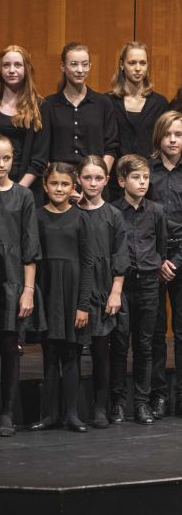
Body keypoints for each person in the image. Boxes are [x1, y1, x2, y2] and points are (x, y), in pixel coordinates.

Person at [0, 135, 45, 436]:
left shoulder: (23, 196)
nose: (1, 164)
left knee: (9, 346)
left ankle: (7, 412)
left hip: (13, 279)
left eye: (6, 158)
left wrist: (28, 291)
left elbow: (31, 247)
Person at [31, 162, 94, 433]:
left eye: (64, 184)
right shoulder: (36, 216)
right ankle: (49, 414)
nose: (59, 188)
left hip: (71, 291)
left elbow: (88, 263)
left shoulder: (81, 218)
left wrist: (83, 304)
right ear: (45, 186)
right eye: (54, 183)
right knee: (50, 355)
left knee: (71, 356)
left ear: (73, 187)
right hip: (47, 290)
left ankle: (72, 414)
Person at [111, 155, 169, 425]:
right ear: (122, 180)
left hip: (148, 282)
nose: (143, 182)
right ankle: (118, 403)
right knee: (120, 344)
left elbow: (162, 246)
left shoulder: (156, 211)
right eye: (136, 177)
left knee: (145, 346)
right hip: (122, 284)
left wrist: (155, 268)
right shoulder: (113, 211)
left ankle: (142, 403)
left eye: (146, 177)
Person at [77, 156, 130, 428]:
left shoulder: (113, 215)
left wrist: (116, 292)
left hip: (105, 288)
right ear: (79, 179)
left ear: (106, 180)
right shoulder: (73, 212)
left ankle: (101, 406)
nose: (93, 183)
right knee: (72, 350)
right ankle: (72, 408)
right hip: (78, 288)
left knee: (101, 350)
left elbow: (121, 254)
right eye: (88, 177)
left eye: (98, 178)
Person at [41, 43, 118, 184]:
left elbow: (110, 148)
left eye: (85, 64)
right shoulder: (49, 105)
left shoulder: (103, 103)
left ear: (90, 66)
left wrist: (98, 180)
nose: (80, 70)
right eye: (74, 64)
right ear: (63, 67)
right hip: (60, 184)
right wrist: (56, 182)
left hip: (94, 183)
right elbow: (42, 151)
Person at [0, 45, 45, 204]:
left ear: (27, 69)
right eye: (6, 65)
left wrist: (18, 190)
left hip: (26, 189)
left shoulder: (40, 106)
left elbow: (40, 157)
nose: (12, 70)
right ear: (0, 69)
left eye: (18, 65)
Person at [149, 111, 182, 418]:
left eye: (179, 135)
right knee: (156, 332)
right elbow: (139, 219)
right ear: (159, 136)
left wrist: (176, 260)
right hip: (153, 262)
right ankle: (158, 395)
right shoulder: (148, 172)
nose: (173, 140)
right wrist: (158, 260)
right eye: (168, 134)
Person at [109, 42, 168, 199]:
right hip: (116, 182)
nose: (138, 68)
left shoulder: (160, 103)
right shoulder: (107, 102)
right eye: (132, 63)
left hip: (148, 182)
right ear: (122, 65)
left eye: (142, 63)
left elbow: (163, 143)